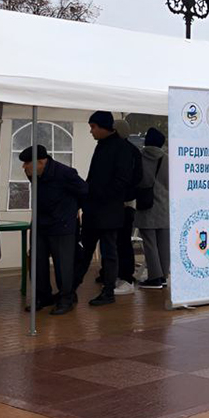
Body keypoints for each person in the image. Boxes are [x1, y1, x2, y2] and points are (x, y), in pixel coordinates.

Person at [75, 111, 137, 306]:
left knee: (109, 252)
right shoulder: (102, 146)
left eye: (93, 127)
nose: (91, 131)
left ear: (104, 127)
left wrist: (97, 195)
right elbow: (93, 177)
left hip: (108, 210)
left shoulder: (121, 149)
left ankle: (108, 290)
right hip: (96, 209)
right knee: (86, 252)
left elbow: (122, 181)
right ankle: (70, 290)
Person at [20, 144, 87, 316]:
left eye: (27, 162)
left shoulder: (65, 173)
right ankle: (43, 297)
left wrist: (70, 211)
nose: (24, 166)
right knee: (37, 262)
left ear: (41, 161)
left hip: (61, 226)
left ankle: (67, 298)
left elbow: (85, 191)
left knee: (63, 265)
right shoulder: (33, 173)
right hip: (40, 225)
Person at [136, 127, 170, 289]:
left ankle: (154, 277)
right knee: (164, 243)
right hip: (165, 205)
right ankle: (163, 275)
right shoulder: (168, 159)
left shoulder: (139, 158)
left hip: (146, 205)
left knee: (150, 243)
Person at [111, 118, 140, 294]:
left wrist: (125, 197)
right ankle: (117, 274)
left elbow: (133, 178)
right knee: (118, 242)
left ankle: (125, 277)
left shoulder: (126, 151)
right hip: (124, 203)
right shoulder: (131, 150)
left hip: (124, 204)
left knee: (122, 242)